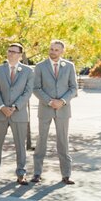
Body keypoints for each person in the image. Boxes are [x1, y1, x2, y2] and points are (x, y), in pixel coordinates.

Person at [0, 43, 34, 185]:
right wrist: (2, 106)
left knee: (20, 145)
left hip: (19, 114)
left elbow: (27, 92)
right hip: (0, 113)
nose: (10, 53)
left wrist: (15, 107)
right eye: (9, 51)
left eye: (14, 52)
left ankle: (21, 173)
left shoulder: (28, 71)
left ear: (20, 55)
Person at [32, 39, 78, 184]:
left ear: (62, 51)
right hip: (45, 109)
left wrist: (62, 101)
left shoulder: (69, 66)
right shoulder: (40, 67)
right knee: (41, 142)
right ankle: (37, 174)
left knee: (63, 142)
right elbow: (36, 88)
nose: (53, 52)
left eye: (56, 50)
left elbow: (73, 88)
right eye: (51, 49)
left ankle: (66, 175)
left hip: (63, 110)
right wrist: (50, 101)